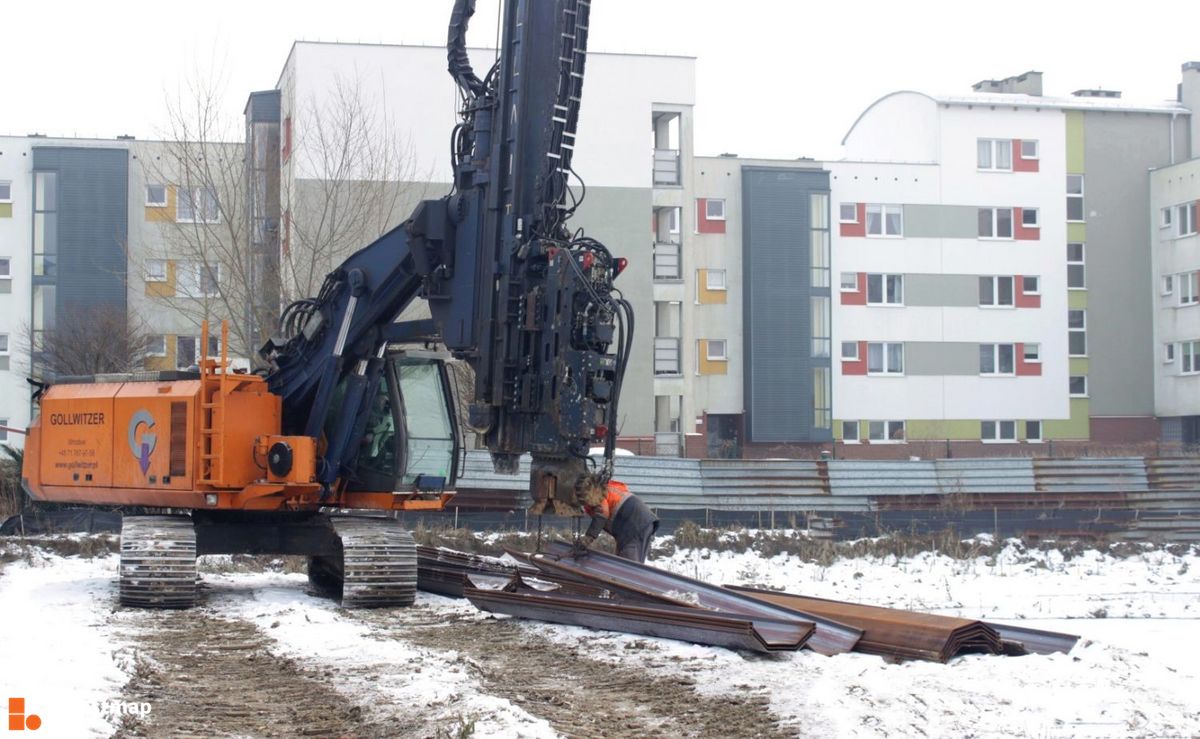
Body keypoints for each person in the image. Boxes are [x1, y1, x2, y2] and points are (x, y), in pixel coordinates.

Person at [577, 477, 659, 563]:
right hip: (642, 520)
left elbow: (602, 514)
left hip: (634, 523)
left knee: (628, 566)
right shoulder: (604, 487)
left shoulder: (596, 494)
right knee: (629, 562)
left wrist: (588, 538)